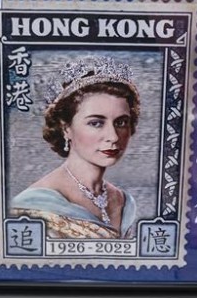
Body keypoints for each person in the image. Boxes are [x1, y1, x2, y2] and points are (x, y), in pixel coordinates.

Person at [10, 56, 140, 239]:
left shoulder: (124, 202)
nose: (113, 136)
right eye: (96, 123)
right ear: (66, 128)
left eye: (121, 122)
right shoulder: (32, 207)